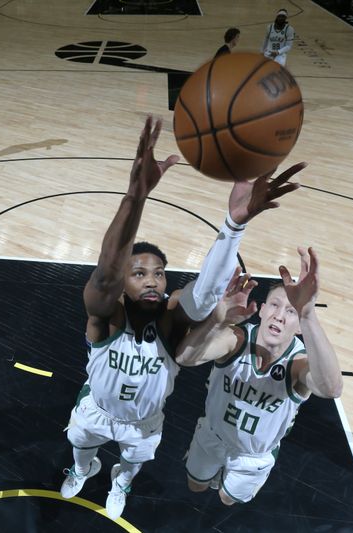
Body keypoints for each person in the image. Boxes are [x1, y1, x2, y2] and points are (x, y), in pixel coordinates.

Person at [58, 116, 303, 520]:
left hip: (143, 422)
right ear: (124, 283)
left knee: (134, 463)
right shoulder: (107, 317)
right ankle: (85, 469)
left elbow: (205, 294)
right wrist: (134, 198)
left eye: (159, 272)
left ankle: (121, 479)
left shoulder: (170, 322)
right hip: (96, 410)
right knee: (81, 449)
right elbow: (104, 273)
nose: (152, 280)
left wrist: (234, 225)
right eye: (139, 273)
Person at [176, 245, 342, 506]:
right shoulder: (236, 339)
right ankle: (211, 472)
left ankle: (227, 481)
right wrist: (216, 322)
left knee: (226, 500)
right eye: (275, 305)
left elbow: (331, 389)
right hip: (212, 435)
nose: (279, 315)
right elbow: (184, 358)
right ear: (262, 310)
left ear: (299, 326)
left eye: (291, 311)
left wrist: (308, 314)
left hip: (253, 455)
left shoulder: (297, 364)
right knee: (195, 486)